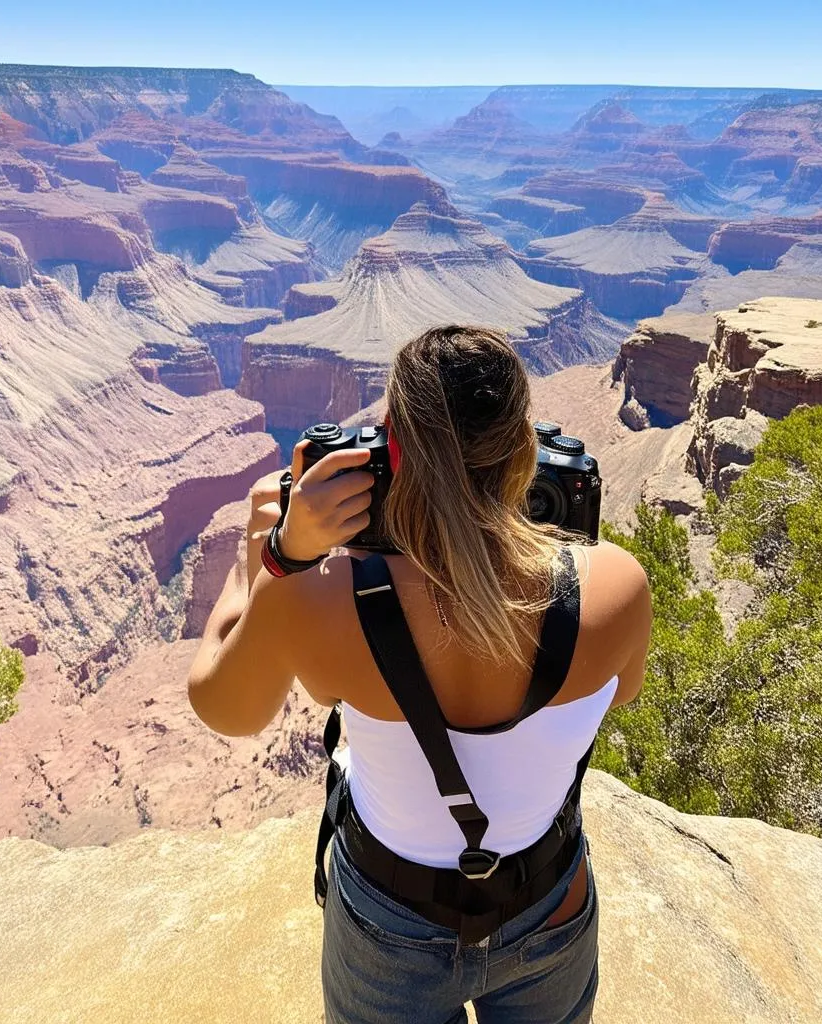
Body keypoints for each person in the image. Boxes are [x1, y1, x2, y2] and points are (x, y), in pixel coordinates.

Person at [187, 325, 653, 1024]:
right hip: (546, 906)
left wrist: (269, 560)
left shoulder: (318, 598)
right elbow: (624, 692)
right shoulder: (618, 586)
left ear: (389, 452)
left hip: (388, 925)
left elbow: (226, 707)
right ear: (523, 450)